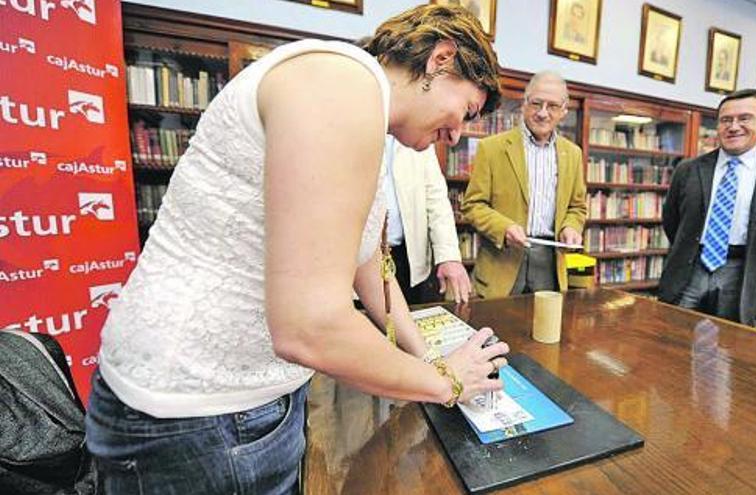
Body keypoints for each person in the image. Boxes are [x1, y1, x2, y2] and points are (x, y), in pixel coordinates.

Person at [85, 5, 509, 494]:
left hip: (231, 405)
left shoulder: (360, 103)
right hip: (200, 413)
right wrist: (446, 383)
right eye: (467, 112)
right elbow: (309, 326)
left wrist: (427, 355)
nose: (457, 135)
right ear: (441, 58)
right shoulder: (338, 86)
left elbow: (366, 259)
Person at [659, 89, 756, 326]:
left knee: (732, 349)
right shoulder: (688, 169)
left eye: (744, 118)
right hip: (690, 269)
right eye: (726, 120)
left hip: (745, 272)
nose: (733, 126)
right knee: (673, 339)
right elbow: (671, 220)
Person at [461, 71, 587, 298]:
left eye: (553, 106)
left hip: (550, 266)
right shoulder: (491, 148)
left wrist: (571, 227)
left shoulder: (573, 154)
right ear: (524, 104)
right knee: (496, 329)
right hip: (502, 264)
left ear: (564, 111)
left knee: (546, 332)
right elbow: (472, 205)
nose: (542, 113)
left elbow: (577, 207)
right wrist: (504, 228)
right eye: (536, 103)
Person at [382, 138, 472, 303]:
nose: (453, 136)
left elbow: (436, 197)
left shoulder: (418, 131)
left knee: (409, 319)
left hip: (405, 257)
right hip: (354, 260)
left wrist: (448, 256)